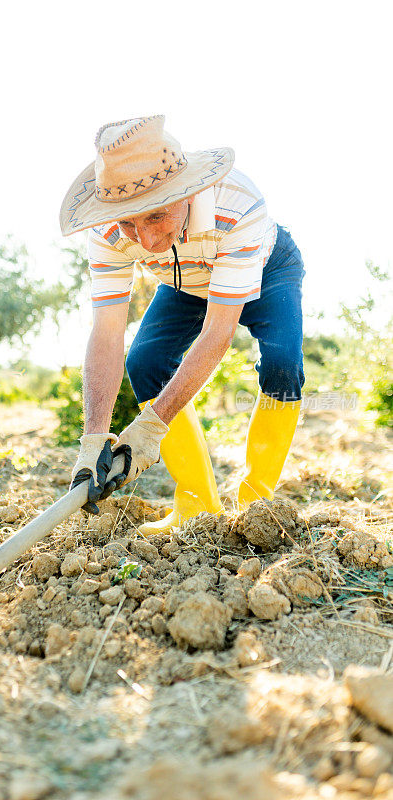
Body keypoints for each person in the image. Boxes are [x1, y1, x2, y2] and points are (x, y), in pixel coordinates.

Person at [59, 115, 304, 533]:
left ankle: (255, 503)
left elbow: (217, 332)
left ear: (186, 192)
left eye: (156, 218)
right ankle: (197, 506)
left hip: (267, 268)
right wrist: (93, 439)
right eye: (129, 223)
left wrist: (151, 427)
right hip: (185, 282)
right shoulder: (107, 230)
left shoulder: (237, 203)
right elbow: (106, 332)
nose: (146, 240)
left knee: (282, 362)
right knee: (146, 361)